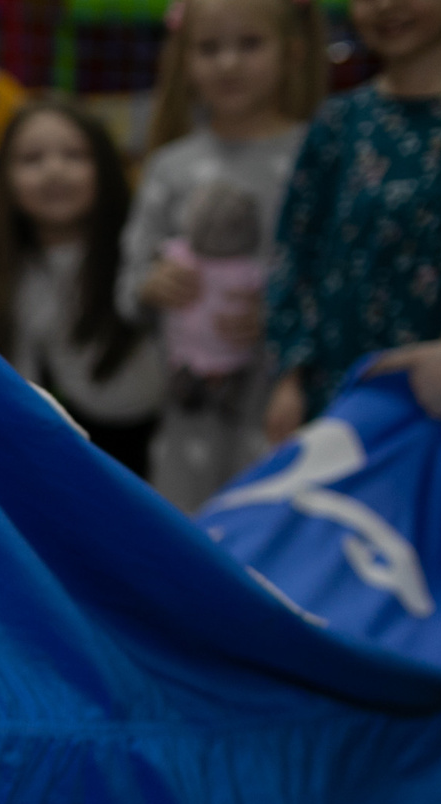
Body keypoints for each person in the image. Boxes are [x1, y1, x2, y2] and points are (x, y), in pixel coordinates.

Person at [119, 0, 325, 507]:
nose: (228, 63)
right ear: (184, 61)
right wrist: (152, 284)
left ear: (292, 53)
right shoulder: (170, 166)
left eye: (249, 45)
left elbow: (335, 280)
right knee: (190, 552)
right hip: (186, 429)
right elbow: (126, 289)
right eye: (209, 48)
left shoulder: (316, 154)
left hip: (287, 416)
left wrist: (283, 316)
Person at [264, 0, 441, 440]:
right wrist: (290, 378)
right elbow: (295, 255)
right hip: (343, 403)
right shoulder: (339, 123)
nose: (387, 5)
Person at [0, 98, 167, 475]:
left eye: (75, 155)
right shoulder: (12, 276)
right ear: (5, 182)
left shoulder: (141, 253)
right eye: (32, 159)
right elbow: (17, 389)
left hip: (160, 444)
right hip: (80, 455)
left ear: (106, 169)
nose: (54, 171)